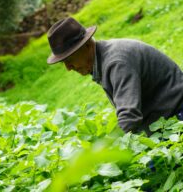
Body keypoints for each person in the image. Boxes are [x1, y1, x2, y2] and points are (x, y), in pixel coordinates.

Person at [46, 17, 183, 135]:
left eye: (69, 60)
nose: (68, 68)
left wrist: (106, 151)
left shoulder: (116, 62)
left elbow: (129, 117)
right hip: (164, 119)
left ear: (86, 46)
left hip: (177, 114)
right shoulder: (102, 58)